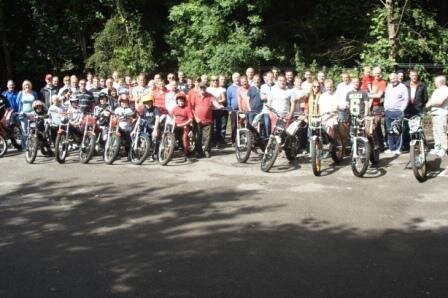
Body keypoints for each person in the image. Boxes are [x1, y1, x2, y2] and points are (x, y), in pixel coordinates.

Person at [402, 69, 428, 152]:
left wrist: (421, 106)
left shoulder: (422, 85)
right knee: (406, 128)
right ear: (409, 76)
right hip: (407, 109)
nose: (414, 77)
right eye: (412, 75)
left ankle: (423, 146)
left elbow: (425, 98)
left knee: (419, 128)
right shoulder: (405, 85)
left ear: (417, 76)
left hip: (417, 110)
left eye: (415, 75)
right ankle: (406, 146)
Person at [384, 73, 408, 156]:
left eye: (394, 78)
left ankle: (398, 148)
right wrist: (385, 108)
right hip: (388, 111)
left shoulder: (403, 87)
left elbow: (406, 99)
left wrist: (401, 110)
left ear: (397, 78)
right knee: (389, 130)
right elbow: (386, 97)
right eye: (391, 79)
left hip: (398, 111)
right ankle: (391, 148)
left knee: (398, 130)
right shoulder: (388, 86)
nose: (393, 80)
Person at [425, 75, 448, 158]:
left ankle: (444, 148)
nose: (434, 83)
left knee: (441, 132)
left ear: (440, 82)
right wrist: (427, 105)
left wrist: (430, 104)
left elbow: (440, 102)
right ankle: (437, 147)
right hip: (434, 113)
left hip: (441, 114)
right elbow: (431, 99)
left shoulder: (445, 90)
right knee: (435, 131)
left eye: (435, 81)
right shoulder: (436, 90)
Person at [191, 84, 213, 157]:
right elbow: (192, 108)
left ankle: (206, 150)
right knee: (198, 136)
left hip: (208, 120)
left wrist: (220, 106)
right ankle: (198, 151)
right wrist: (196, 117)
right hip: (198, 120)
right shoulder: (195, 96)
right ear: (199, 89)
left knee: (208, 136)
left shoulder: (210, 96)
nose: (202, 89)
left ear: (206, 88)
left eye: (204, 88)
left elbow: (215, 103)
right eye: (201, 88)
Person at [172, 92, 194, 162]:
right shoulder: (175, 108)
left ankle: (186, 154)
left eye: (182, 101)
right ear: (177, 101)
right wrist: (173, 120)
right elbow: (172, 115)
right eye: (179, 101)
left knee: (184, 139)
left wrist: (184, 124)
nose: (181, 102)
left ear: (184, 101)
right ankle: (170, 153)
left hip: (184, 125)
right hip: (176, 126)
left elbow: (191, 119)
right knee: (173, 138)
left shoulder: (187, 109)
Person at [17, 80, 39, 149]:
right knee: (24, 130)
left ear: (30, 86)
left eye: (28, 85)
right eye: (25, 85)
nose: (27, 86)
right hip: (23, 113)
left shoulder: (34, 93)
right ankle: (24, 146)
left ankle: (32, 145)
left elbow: (36, 102)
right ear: (23, 86)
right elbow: (17, 102)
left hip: (33, 113)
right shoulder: (21, 93)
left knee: (32, 129)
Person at [370, 66, 387, 151]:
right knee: (370, 127)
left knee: (376, 126)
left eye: (379, 73)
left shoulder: (383, 82)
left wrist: (368, 96)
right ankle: (376, 145)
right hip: (368, 106)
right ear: (373, 73)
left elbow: (379, 95)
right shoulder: (370, 82)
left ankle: (380, 145)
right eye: (376, 73)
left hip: (377, 107)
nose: (377, 74)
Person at [207, 75, 227, 147]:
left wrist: (217, 100)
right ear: (211, 81)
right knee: (211, 126)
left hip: (219, 110)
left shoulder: (220, 89)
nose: (215, 81)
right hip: (211, 110)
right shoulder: (208, 89)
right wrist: (213, 101)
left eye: (216, 80)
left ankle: (219, 141)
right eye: (213, 80)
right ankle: (212, 141)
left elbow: (224, 99)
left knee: (219, 126)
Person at [226, 72, 241, 144]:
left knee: (243, 124)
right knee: (234, 125)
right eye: (235, 77)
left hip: (242, 109)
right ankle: (234, 140)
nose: (237, 79)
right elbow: (228, 100)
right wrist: (229, 110)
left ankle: (242, 139)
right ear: (233, 79)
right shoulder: (230, 88)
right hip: (233, 110)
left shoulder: (242, 86)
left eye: (238, 77)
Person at [260, 71, 275, 137]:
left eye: (271, 76)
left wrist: (267, 95)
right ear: (266, 77)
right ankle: (267, 139)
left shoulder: (276, 86)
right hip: (266, 110)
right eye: (269, 76)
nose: (270, 78)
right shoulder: (263, 86)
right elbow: (262, 97)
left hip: (275, 110)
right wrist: (272, 96)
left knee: (274, 125)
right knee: (267, 124)